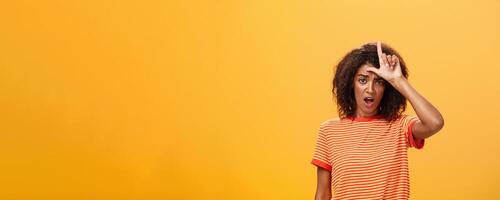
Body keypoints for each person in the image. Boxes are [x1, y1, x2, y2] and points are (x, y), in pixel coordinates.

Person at [311, 41, 444, 200]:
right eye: (362, 80)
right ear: (350, 84)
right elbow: (323, 194)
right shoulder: (329, 131)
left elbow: (435, 122)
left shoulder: (399, 126)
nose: (370, 89)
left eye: (379, 82)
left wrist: (398, 80)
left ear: (387, 88)